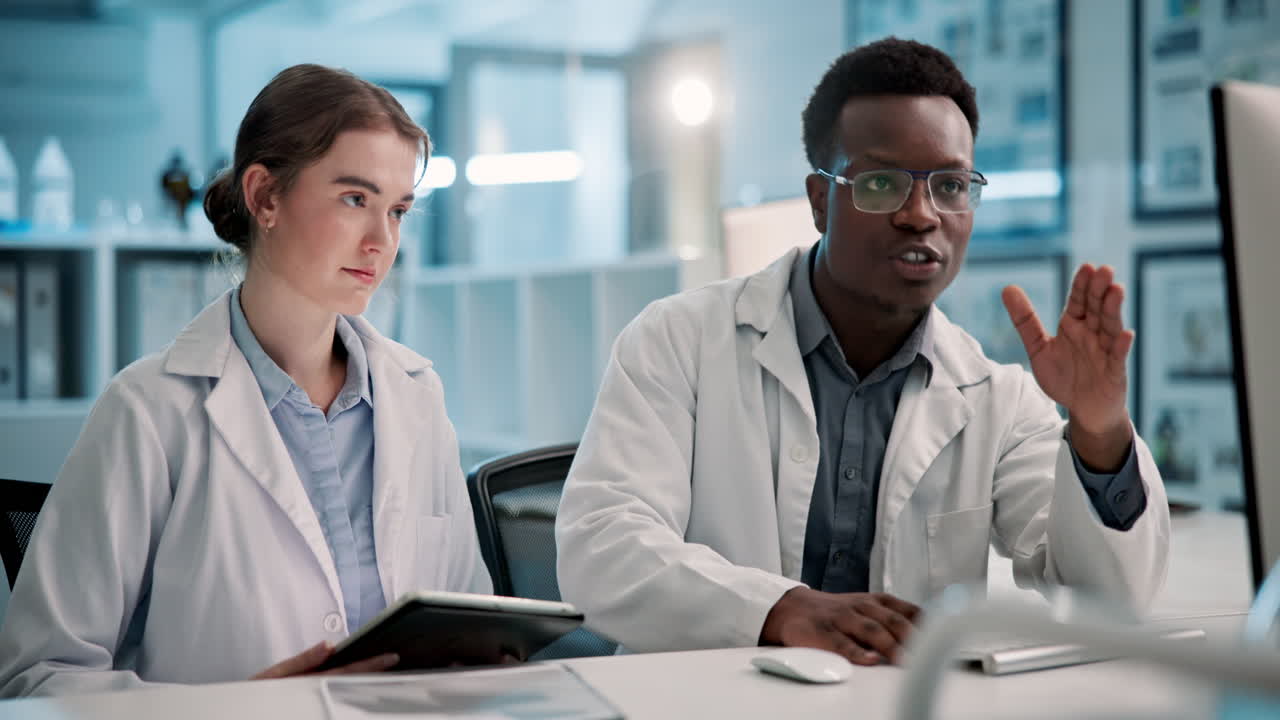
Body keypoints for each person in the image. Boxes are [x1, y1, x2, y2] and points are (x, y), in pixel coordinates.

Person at [555, 38, 1170, 666]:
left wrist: (1100, 428)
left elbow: (1105, 605)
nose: (921, 216)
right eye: (880, 183)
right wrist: (779, 610)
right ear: (820, 201)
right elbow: (600, 548)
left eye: (951, 185)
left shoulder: (997, 397)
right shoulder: (679, 340)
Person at [0, 64, 491, 697]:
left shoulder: (416, 397)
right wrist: (244, 706)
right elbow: (37, 679)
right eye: (355, 199)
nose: (382, 240)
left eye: (397, 210)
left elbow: (474, 627)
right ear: (265, 198)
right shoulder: (148, 412)